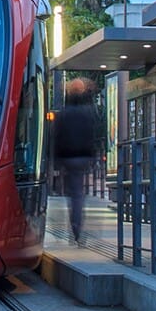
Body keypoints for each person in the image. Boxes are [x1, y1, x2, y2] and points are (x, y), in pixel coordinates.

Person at [53, 78, 99, 243]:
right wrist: (93, 157)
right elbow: (92, 135)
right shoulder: (88, 112)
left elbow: (56, 138)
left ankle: (75, 225)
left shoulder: (63, 114)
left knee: (73, 192)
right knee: (78, 193)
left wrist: (56, 160)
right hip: (83, 157)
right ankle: (77, 224)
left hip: (68, 158)